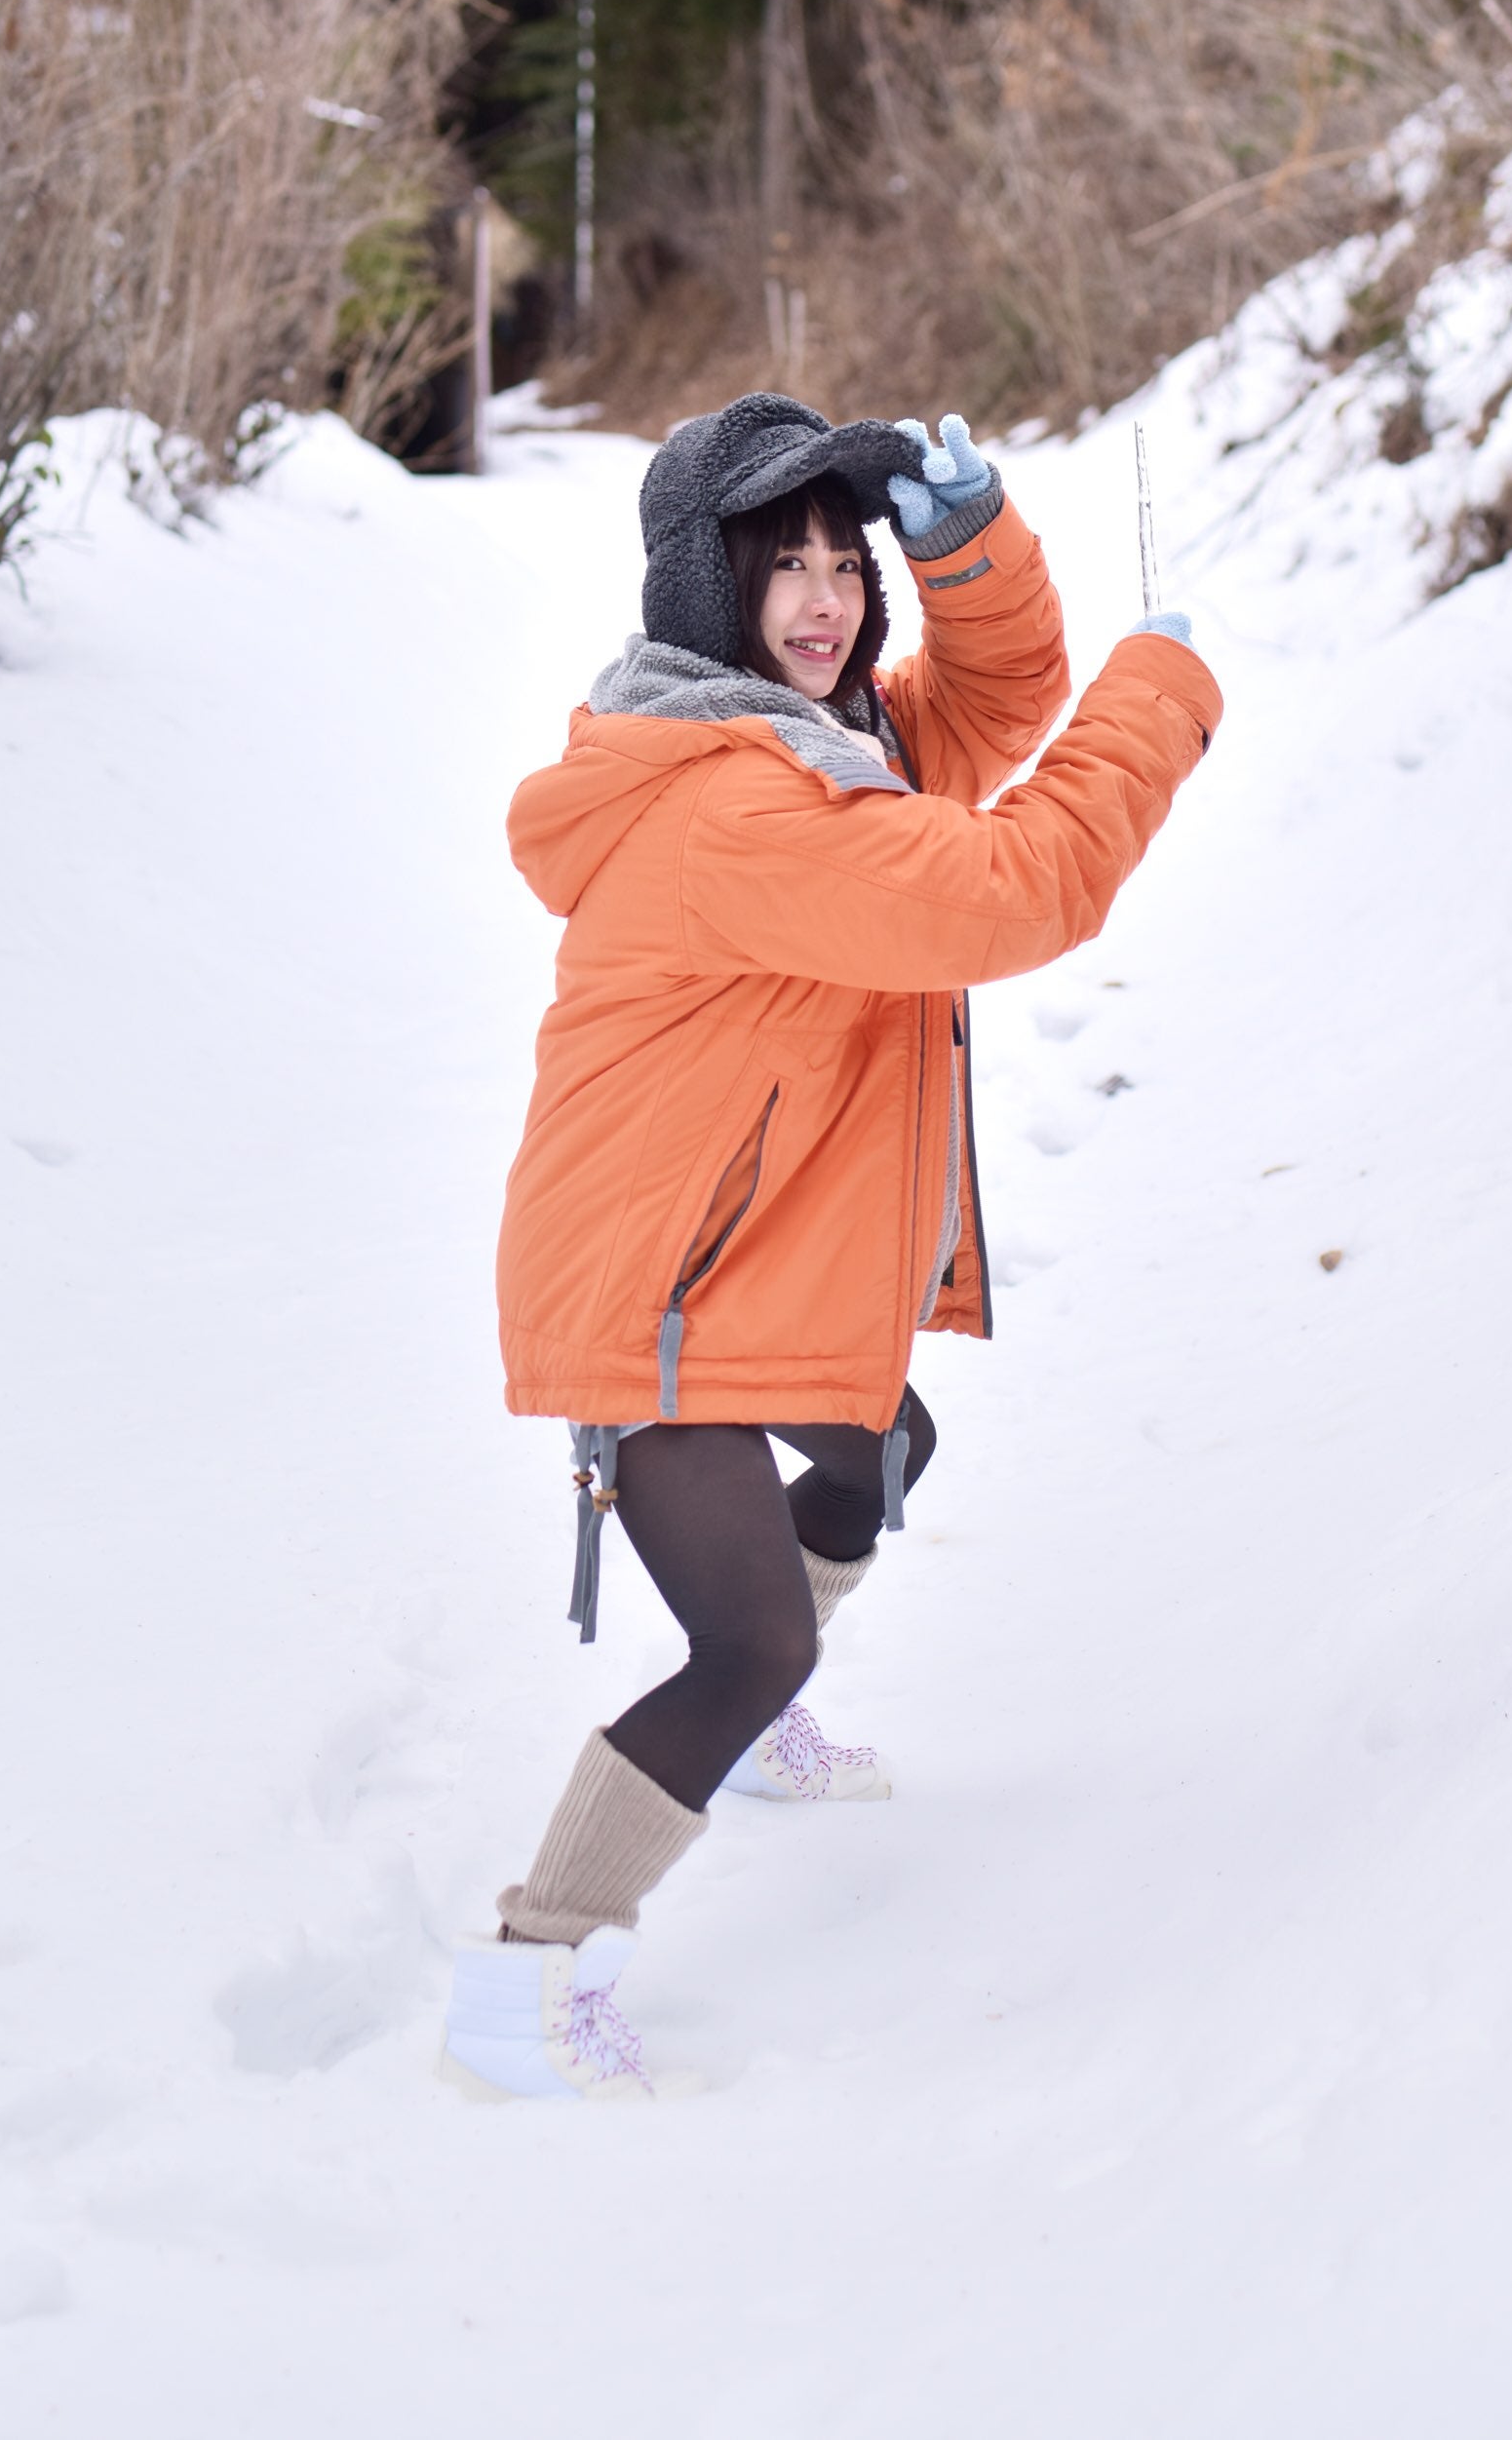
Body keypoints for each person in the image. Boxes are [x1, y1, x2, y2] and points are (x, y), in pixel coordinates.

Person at [444, 392, 1222, 2100]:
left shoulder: (826, 740)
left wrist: (969, 546)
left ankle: (749, 1744)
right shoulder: (751, 808)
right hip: (650, 1290)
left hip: (734, 1258)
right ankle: (530, 1974)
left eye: (842, 562)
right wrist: (1160, 703)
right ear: (707, 597)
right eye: (778, 567)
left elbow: (995, 706)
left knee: (882, 1446)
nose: (823, 601)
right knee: (751, 1647)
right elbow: (1023, 883)